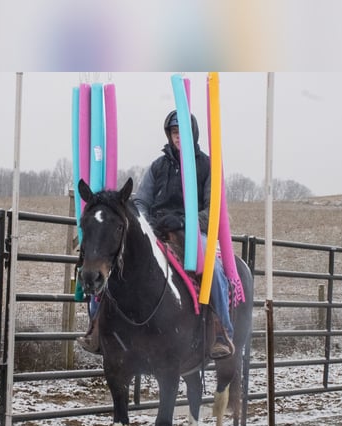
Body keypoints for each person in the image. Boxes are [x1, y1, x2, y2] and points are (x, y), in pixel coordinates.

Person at [78, 110, 234, 359]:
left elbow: (212, 209)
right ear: (169, 135)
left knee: (213, 268)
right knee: (114, 262)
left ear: (192, 134)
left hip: (192, 231)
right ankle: (96, 326)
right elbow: (141, 201)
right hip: (157, 230)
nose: (178, 138)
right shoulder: (158, 166)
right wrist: (148, 224)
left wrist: (184, 221)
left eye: (182, 132)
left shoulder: (207, 167)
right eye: (174, 133)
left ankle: (221, 331)